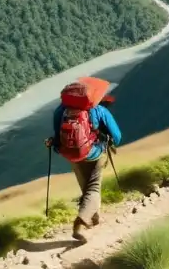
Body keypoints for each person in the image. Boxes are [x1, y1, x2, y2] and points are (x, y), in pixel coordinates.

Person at [46, 85, 122, 241]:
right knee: (93, 188)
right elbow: (117, 136)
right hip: (94, 153)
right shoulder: (98, 110)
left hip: (73, 155)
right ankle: (80, 222)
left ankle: (94, 218)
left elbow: (58, 136)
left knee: (86, 188)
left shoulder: (61, 111)